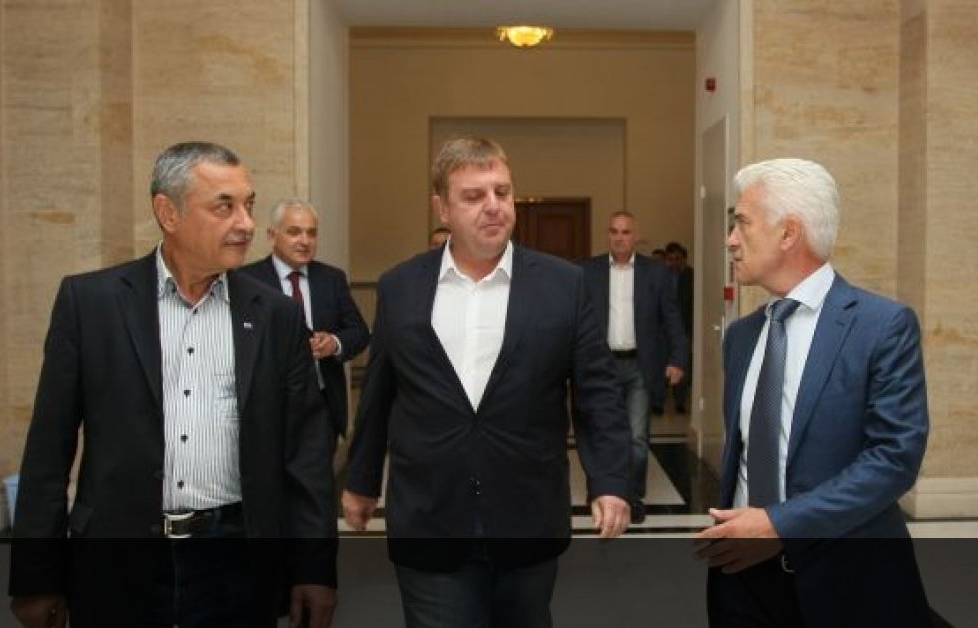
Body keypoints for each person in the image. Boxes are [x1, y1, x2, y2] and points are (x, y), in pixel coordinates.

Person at [9, 142, 338, 628]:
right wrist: (36, 575)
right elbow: (47, 451)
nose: (246, 224)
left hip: (237, 561)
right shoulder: (91, 304)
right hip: (120, 563)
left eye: (248, 205)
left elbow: (305, 456)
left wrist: (314, 567)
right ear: (168, 212)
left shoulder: (275, 316)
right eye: (224, 207)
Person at [342, 136, 631, 628]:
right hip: (430, 516)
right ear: (442, 208)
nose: (493, 206)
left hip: (527, 516)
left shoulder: (564, 285)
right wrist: (362, 480)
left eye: (502, 192)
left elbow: (598, 392)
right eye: (474, 196)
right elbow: (381, 390)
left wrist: (610, 481)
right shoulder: (401, 286)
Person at [695, 159, 931, 627]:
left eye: (742, 223)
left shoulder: (882, 327)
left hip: (844, 584)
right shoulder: (740, 337)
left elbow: (894, 459)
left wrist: (780, 525)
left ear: (789, 233)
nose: (730, 240)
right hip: (740, 583)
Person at [581, 211, 688, 523]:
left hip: (640, 366)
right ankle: (602, 492)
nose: (619, 237)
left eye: (626, 232)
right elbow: (578, 320)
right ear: (608, 234)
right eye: (614, 231)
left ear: (635, 236)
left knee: (637, 439)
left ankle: (632, 496)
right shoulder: (588, 272)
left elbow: (671, 318)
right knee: (600, 434)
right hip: (601, 367)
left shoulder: (656, 273)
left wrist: (678, 359)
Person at [240, 199, 370, 442]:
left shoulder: (331, 278)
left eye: (311, 233)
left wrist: (334, 343)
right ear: (272, 236)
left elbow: (359, 332)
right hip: (267, 408)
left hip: (321, 406)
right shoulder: (246, 281)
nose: (305, 241)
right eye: (294, 232)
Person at [665, 242, 694, 414]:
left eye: (677, 259)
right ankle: (658, 400)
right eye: (670, 259)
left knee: (683, 363)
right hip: (663, 328)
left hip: (684, 327)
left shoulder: (691, 276)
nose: (674, 263)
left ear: (684, 259)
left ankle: (680, 401)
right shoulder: (662, 275)